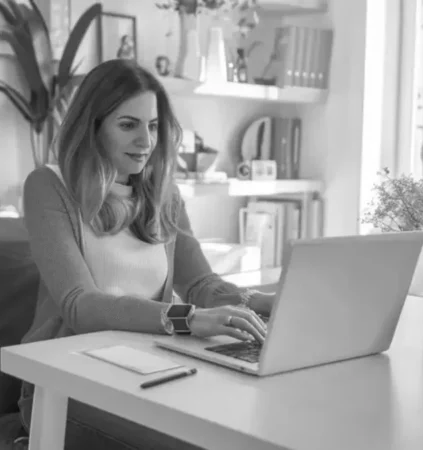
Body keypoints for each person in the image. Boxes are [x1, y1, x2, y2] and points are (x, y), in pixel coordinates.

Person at [16, 58, 276, 444]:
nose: (146, 141)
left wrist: (265, 302)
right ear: (92, 126)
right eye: (128, 125)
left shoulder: (163, 193)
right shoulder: (49, 186)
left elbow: (201, 284)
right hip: (65, 387)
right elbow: (79, 305)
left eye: (152, 126)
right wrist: (186, 319)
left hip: (152, 373)